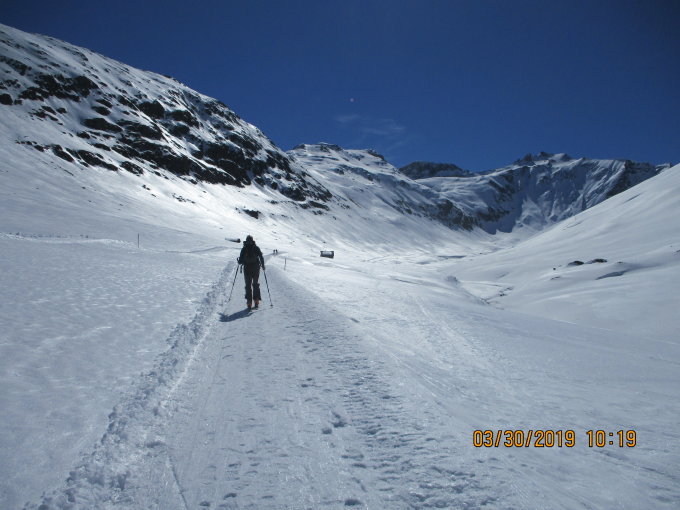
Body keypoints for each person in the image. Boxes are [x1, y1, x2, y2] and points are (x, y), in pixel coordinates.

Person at [237, 235, 265, 310]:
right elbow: (261, 257)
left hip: (247, 268)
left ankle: (249, 302)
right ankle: (256, 300)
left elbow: (240, 261)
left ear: (246, 241)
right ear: (252, 240)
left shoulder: (244, 249)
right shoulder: (256, 248)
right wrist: (263, 265)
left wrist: (240, 261)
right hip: (256, 268)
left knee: (248, 285)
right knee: (255, 284)